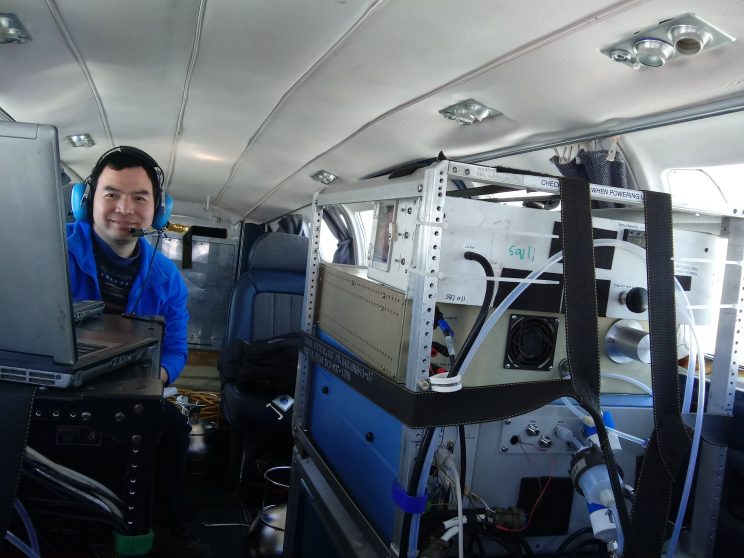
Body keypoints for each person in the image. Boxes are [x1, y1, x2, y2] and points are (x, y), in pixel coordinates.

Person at [66, 146, 213, 558]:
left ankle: (165, 521)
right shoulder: (49, 248)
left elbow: (177, 350)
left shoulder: (167, 278)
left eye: (140, 197)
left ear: (158, 210)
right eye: (111, 193)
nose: (124, 208)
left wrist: (150, 382)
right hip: (54, 389)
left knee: (171, 425)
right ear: (86, 200)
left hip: (131, 393)